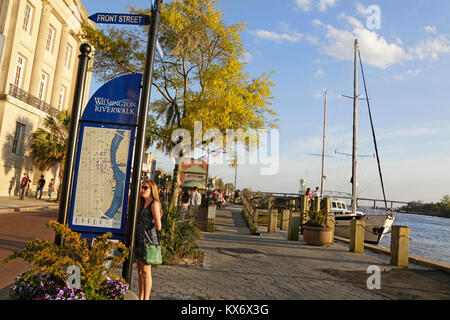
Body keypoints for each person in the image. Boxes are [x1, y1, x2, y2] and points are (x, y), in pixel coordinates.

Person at [135, 179, 162, 300]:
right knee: (140, 271)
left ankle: (146, 298)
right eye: (142, 187)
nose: (142, 190)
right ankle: (141, 297)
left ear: (152, 189)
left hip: (148, 241)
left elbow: (158, 226)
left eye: (145, 188)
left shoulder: (154, 204)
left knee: (146, 271)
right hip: (139, 240)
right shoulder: (141, 203)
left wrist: (158, 217)